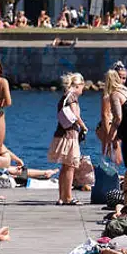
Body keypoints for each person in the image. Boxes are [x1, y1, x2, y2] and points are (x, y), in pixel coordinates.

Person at [49, 73, 86, 206]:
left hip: (60, 133)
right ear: (77, 85)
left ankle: (61, 197)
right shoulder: (73, 98)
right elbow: (75, 116)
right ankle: (69, 197)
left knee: (65, 167)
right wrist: (84, 127)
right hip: (70, 135)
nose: (83, 89)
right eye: (82, 86)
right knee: (70, 166)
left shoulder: (64, 97)